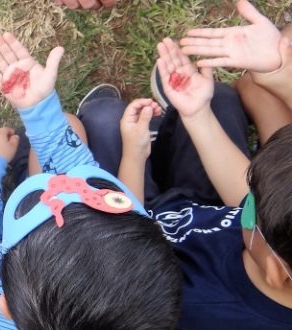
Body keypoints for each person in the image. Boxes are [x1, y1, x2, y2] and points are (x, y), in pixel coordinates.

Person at [0, 32, 181, 329]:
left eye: (41, 203)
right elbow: (76, 174)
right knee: (69, 126)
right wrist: (39, 111)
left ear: (4, 304)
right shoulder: (141, 301)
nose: (64, 186)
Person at [80, 23, 292, 328]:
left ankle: (152, 142)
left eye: (249, 209)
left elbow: (119, 249)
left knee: (104, 118)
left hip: (129, 229)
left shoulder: (178, 310)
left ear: (275, 269)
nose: (245, 200)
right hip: (202, 208)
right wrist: (196, 114)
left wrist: (135, 158)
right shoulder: (275, 238)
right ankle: (172, 128)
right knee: (217, 100)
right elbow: (246, 198)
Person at [179, 0, 292, 146]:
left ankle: (231, 105)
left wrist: (282, 78)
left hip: (282, 160)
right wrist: (279, 70)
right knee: (249, 88)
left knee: (250, 90)